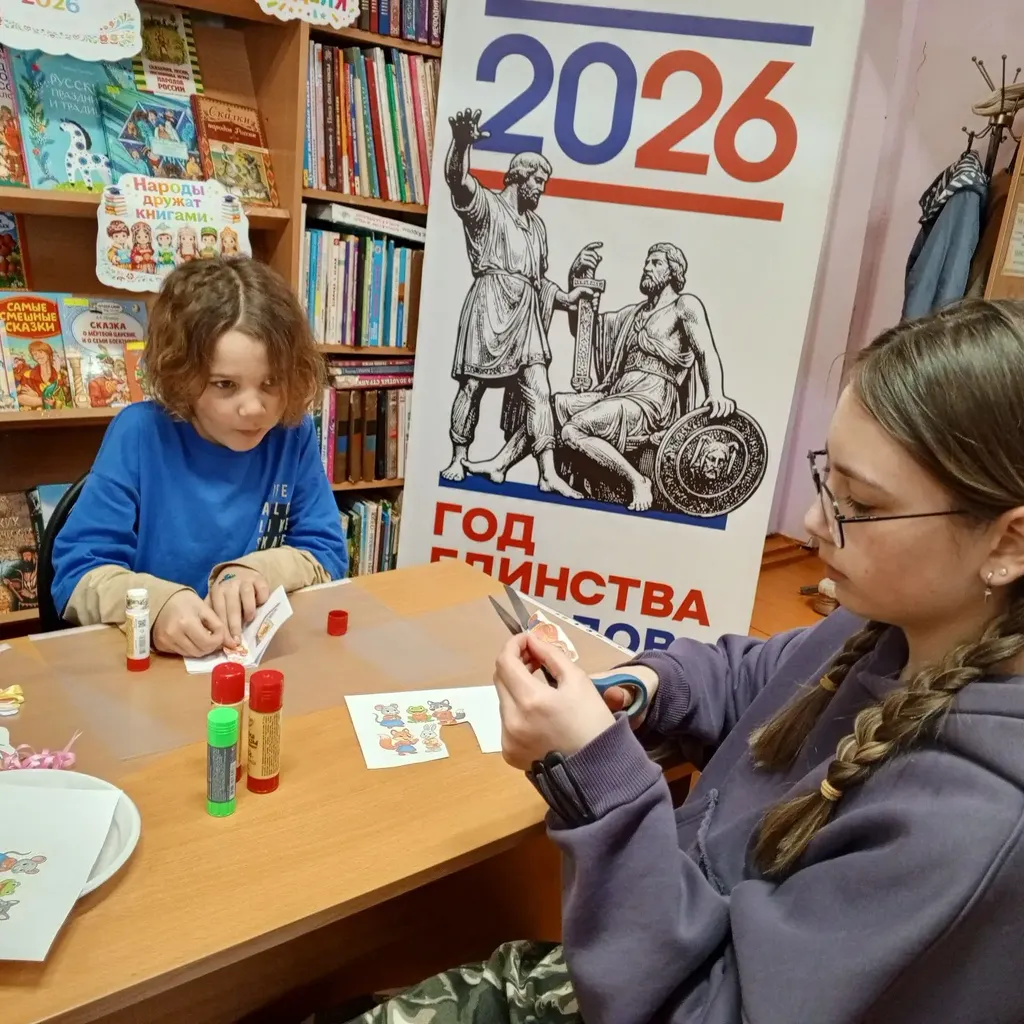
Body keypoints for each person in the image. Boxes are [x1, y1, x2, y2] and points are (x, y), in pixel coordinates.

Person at [350, 299, 1024, 1024]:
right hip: (652, 947)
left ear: (1008, 543)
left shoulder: (965, 826)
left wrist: (597, 771)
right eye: (827, 478)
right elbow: (752, 677)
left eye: (859, 503)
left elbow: (699, 1009)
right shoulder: (891, 624)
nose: (811, 522)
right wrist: (647, 686)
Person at [52, 257, 348, 659]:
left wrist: (258, 570)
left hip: (252, 662)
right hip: (150, 670)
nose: (254, 408)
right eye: (225, 385)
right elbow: (75, 575)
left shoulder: (291, 432)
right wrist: (156, 606)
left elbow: (326, 552)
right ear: (181, 377)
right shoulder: (139, 433)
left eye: (271, 382)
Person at [466, 242, 736, 511]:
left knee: (573, 431)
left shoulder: (684, 305)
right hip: (619, 392)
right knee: (551, 406)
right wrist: (577, 277)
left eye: (656, 263)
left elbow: (706, 351)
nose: (647, 267)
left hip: (651, 401)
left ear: (672, 271)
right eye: (647, 262)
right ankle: (500, 464)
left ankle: (638, 481)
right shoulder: (633, 314)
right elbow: (586, 331)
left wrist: (716, 393)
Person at [441, 108, 591, 497]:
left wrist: (566, 298)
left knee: (539, 389)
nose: (542, 189)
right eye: (538, 181)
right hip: (489, 305)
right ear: (519, 176)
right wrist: (461, 143)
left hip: (525, 315)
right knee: (472, 386)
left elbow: (538, 282)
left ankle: (547, 472)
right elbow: (457, 180)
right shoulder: (487, 207)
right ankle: (459, 456)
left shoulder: (537, 227)